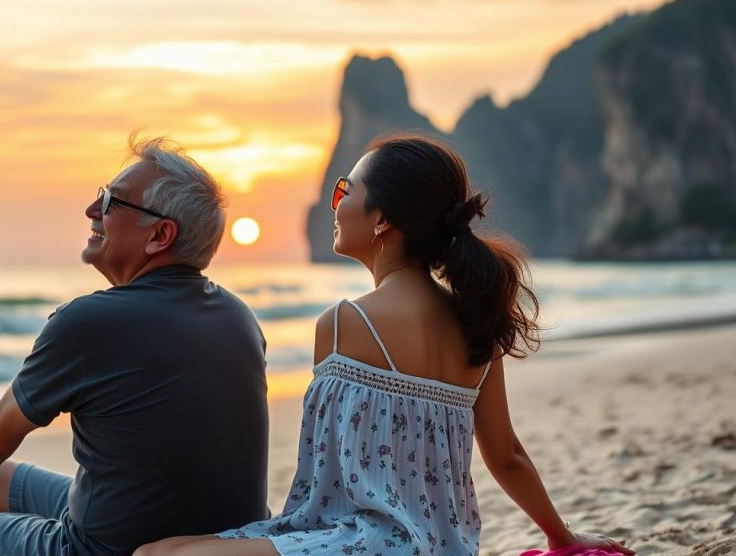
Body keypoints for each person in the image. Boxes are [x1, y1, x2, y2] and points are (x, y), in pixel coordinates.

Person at [135, 135, 634, 556]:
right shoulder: (475, 324)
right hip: (447, 547)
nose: (335, 205)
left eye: (344, 191)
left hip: (361, 545)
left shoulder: (344, 322)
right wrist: (562, 539)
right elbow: (508, 456)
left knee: (155, 552)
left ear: (382, 221)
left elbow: (322, 492)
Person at [0, 136, 270, 556]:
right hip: (225, 543)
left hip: (103, 549)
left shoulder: (88, 323)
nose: (92, 210)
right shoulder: (237, 316)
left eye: (111, 202)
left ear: (160, 235)